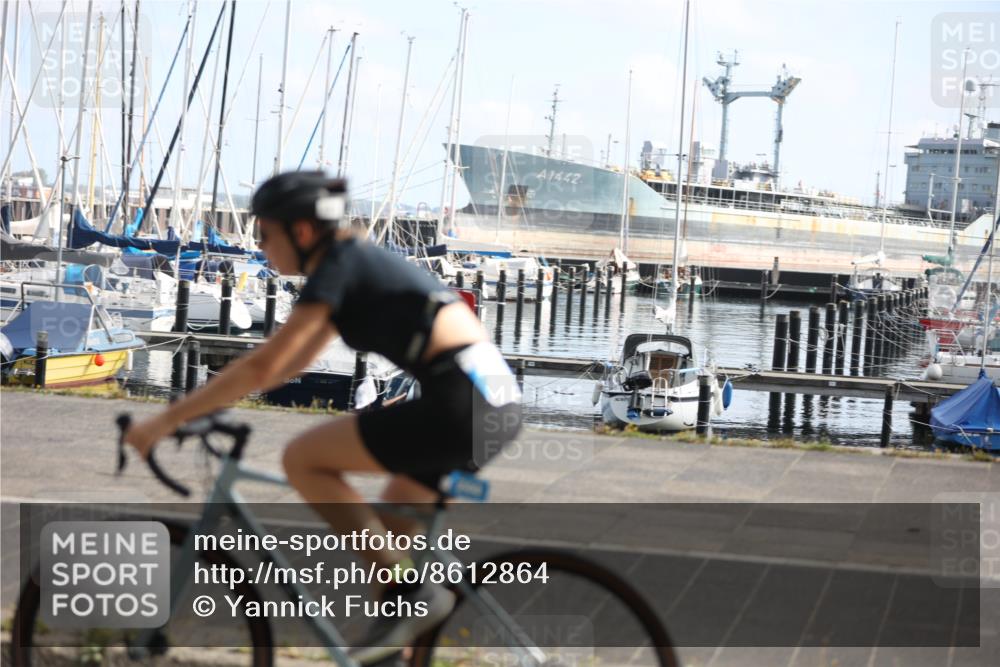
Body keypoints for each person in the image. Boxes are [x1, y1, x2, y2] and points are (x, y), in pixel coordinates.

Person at [125, 171, 522, 662]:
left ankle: (418, 595)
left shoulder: (338, 264)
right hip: (492, 400)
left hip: (463, 402)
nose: (259, 246)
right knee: (388, 540)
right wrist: (211, 402)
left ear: (302, 231)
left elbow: (266, 365)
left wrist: (164, 421)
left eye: (264, 233)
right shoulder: (352, 262)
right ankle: (393, 642)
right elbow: (290, 363)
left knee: (303, 458)